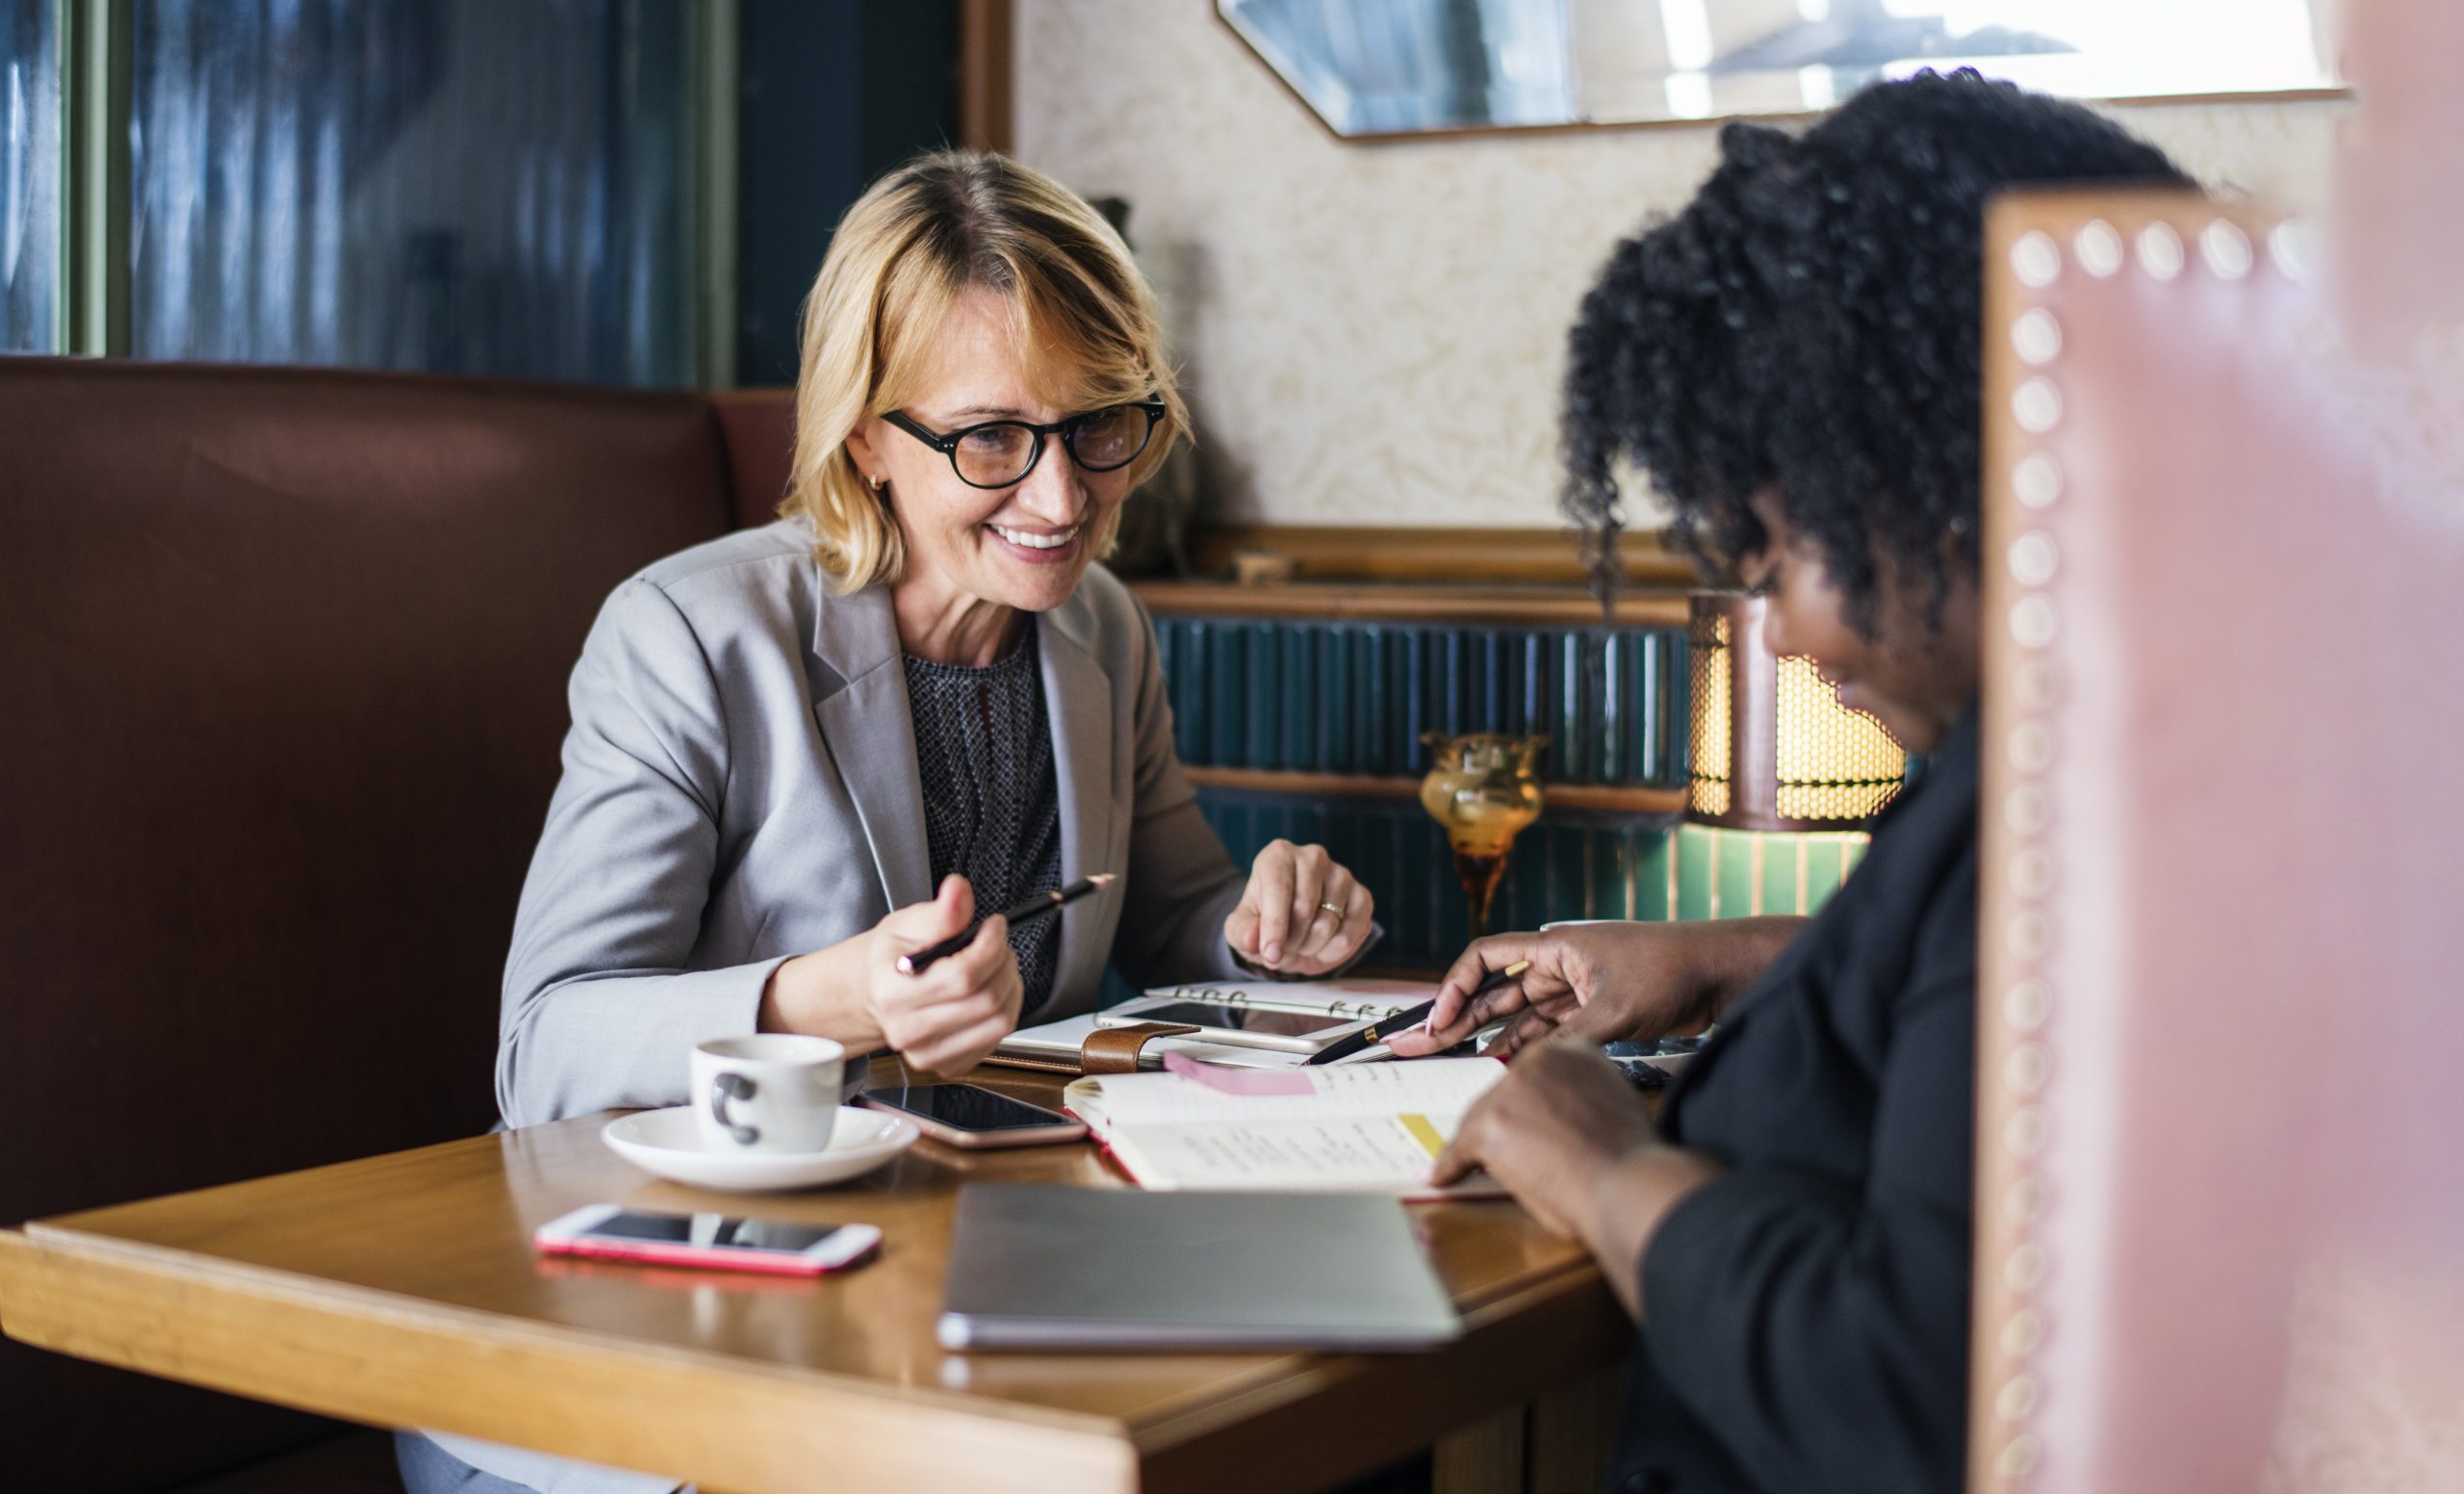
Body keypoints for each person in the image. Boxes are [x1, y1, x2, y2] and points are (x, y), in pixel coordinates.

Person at [408, 151, 1377, 1494]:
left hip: (962, 1297)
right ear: (866, 432)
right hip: (651, 1361)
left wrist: (1267, 925)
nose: (1061, 498)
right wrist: (830, 999)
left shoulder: (1099, 624)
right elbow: (546, 1051)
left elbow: (1172, 912)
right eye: (991, 439)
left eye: (1104, 425)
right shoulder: (691, 635)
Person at [1387, 73, 2190, 1494]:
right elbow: (2000, 1006)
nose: (1800, 643)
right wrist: (1724, 959)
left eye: (1769, 567)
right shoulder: (2146, 741)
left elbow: (1909, 1393)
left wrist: (1604, 1167)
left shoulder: (2073, 806)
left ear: (1932, 477)